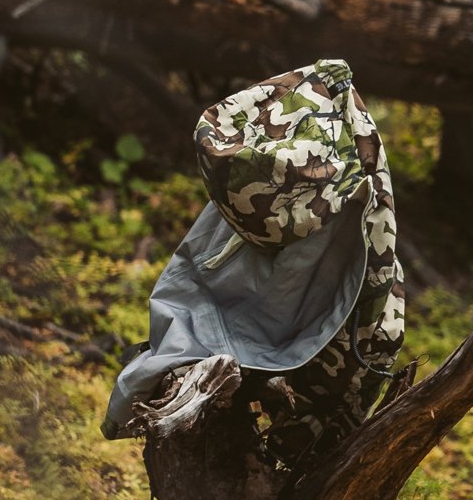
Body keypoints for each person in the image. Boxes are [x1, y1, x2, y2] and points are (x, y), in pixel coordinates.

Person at [103, 57, 406, 470]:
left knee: (304, 459)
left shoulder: (343, 193)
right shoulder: (268, 159)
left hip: (334, 344)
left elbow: (350, 321)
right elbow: (199, 269)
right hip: (289, 343)